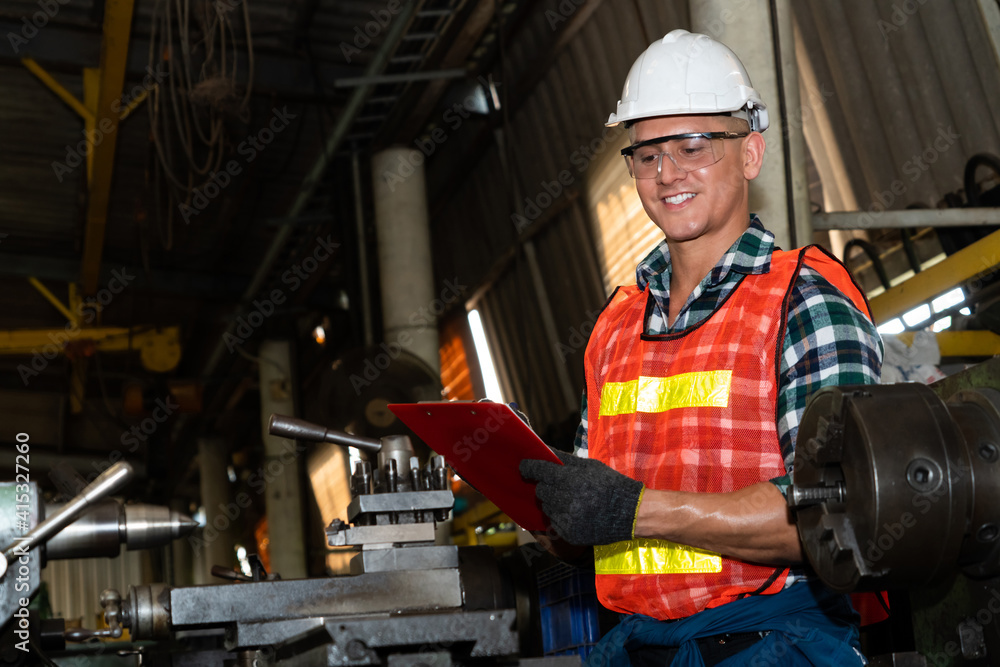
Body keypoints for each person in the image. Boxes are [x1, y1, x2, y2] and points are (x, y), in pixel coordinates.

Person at [519, 29, 883, 666]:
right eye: (647, 155)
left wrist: (632, 510)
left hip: (772, 643)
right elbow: (595, 520)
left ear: (750, 154)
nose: (667, 174)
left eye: (693, 147)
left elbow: (841, 511)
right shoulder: (616, 323)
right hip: (636, 646)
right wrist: (549, 506)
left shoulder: (803, 300)